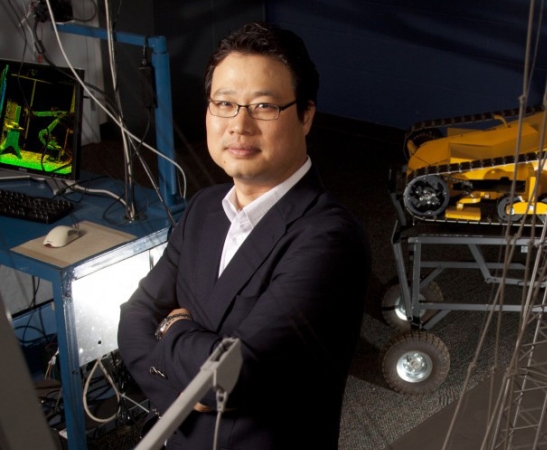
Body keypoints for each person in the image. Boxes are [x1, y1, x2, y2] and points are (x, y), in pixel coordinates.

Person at [117, 22, 371, 450]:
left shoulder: (329, 239)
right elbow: (133, 317)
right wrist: (190, 380)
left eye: (264, 106)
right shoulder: (204, 209)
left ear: (306, 115)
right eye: (224, 104)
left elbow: (233, 379)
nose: (239, 125)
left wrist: (171, 327)